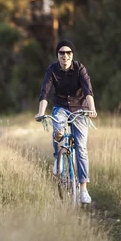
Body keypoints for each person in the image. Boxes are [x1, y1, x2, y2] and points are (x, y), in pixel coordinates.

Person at [34, 39, 97, 204]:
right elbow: (45, 93)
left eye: (69, 52)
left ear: (72, 55)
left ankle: (83, 189)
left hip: (80, 109)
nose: (65, 56)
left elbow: (87, 89)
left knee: (81, 147)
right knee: (58, 132)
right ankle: (58, 158)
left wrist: (92, 109)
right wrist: (41, 113)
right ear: (58, 55)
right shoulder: (52, 70)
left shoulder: (80, 68)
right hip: (61, 107)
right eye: (62, 53)